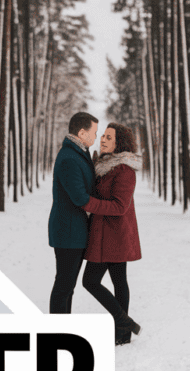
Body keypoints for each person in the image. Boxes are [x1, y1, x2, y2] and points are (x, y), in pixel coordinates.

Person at [82, 123, 142, 345]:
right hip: (105, 233)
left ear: (120, 143)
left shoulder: (124, 169)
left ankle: (123, 324)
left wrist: (89, 204)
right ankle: (124, 329)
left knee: (91, 281)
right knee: (117, 280)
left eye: (109, 137)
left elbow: (120, 206)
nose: (103, 139)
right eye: (103, 136)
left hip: (115, 235)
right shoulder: (104, 166)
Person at [48, 112, 98, 313]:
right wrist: (107, 207)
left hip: (73, 231)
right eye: (94, 132)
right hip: (68, 231)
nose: (96, 137)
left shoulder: (78, 154)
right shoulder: (69, 158)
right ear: (82, 133)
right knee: (64, 286)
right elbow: (80, 197)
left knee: (68, 286)